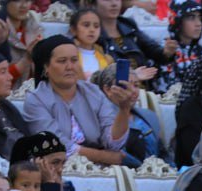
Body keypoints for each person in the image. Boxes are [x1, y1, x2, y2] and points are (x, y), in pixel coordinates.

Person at [25, 35, 136, 166]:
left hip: (104, 170)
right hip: (57, 169)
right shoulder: (36, 100)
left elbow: (113, 144)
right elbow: (56, 148)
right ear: (46, 67)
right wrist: (106, 157)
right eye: (62, 61)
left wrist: (124, 109)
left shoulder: (94, 92)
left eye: (74, 60)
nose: (70, 67)